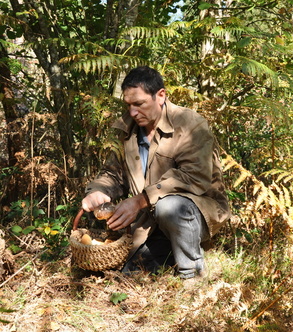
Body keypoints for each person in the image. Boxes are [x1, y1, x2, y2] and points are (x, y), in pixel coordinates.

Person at [81, 66, 230, 279]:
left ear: (160, 96)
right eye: (129, 105)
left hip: (194, 213)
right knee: (129, 274)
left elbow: (195, 177)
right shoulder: (126, 129)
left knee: (170, 206)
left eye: (139, 104)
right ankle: (169, 256)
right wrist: (99, 191)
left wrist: (140, 201)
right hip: (148, 222)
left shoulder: (190, 125)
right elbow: (113, 173)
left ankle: (192, 276)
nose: (132, 112)